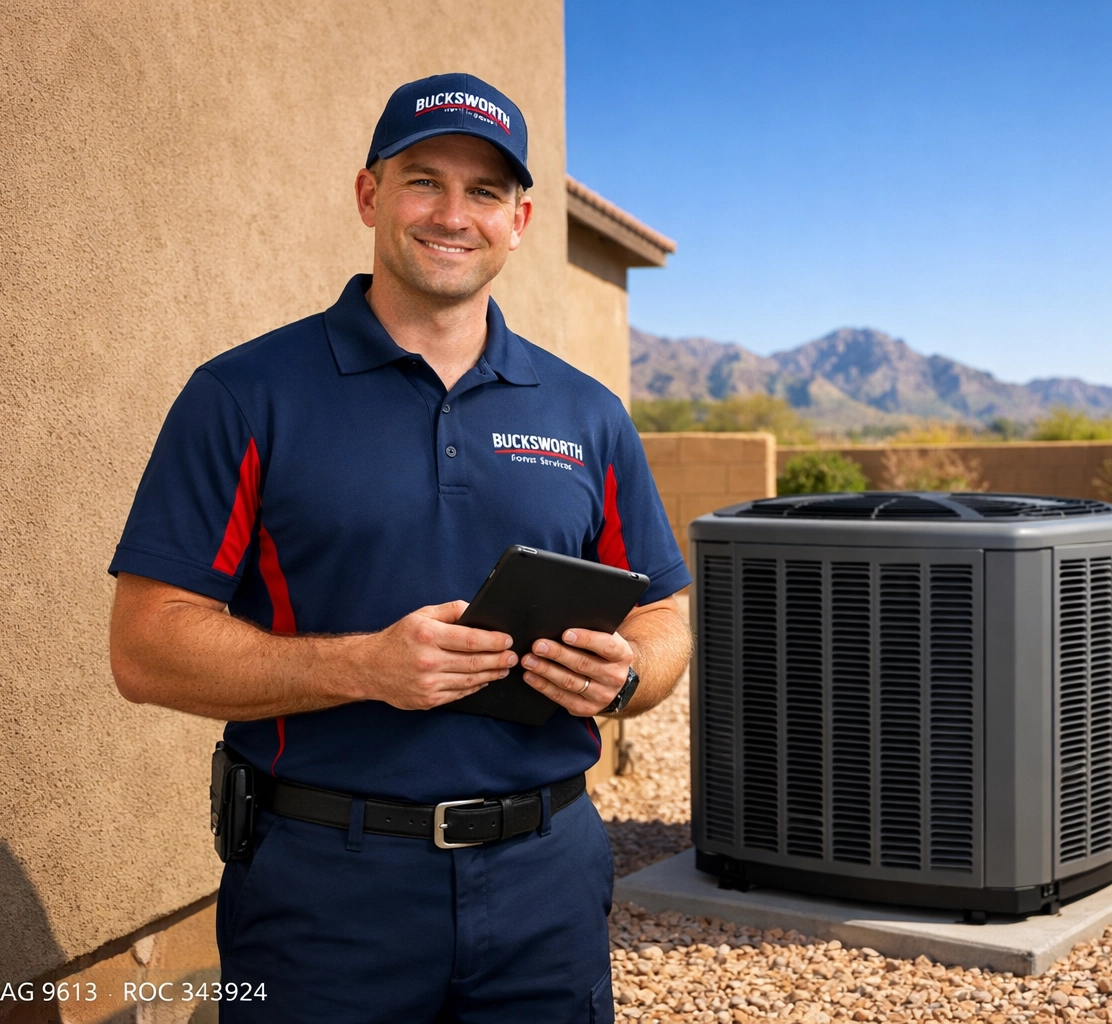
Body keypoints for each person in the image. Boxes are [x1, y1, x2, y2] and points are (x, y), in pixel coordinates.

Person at [108, 72, 692, 1023]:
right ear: (369, 194)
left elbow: (664, 614)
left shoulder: (587, 414)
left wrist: (627, 674)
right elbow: (144, 646)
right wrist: (364, 667)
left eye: (485, 191)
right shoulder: (245, 395)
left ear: (519, 222)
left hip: (547, 881)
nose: (453, 215)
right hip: (324, 892)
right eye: (424, 180)